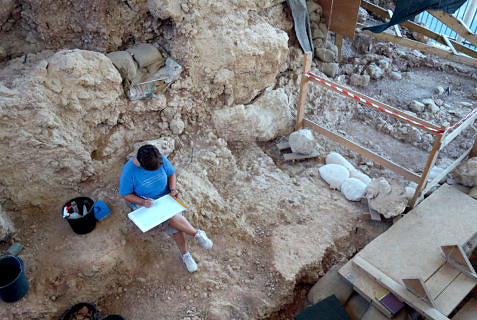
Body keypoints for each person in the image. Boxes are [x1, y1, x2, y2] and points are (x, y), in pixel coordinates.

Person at [119, 144, 212, 273]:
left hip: (165, 197)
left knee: (173, 220)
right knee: (173, 219)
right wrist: (142, 201)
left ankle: (187, 252)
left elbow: (171, 174)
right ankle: (195, 235)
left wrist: (173, 189)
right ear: (141, 164)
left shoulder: (157, 157)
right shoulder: (129, 171)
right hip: (147, 203)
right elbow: (125, 194)